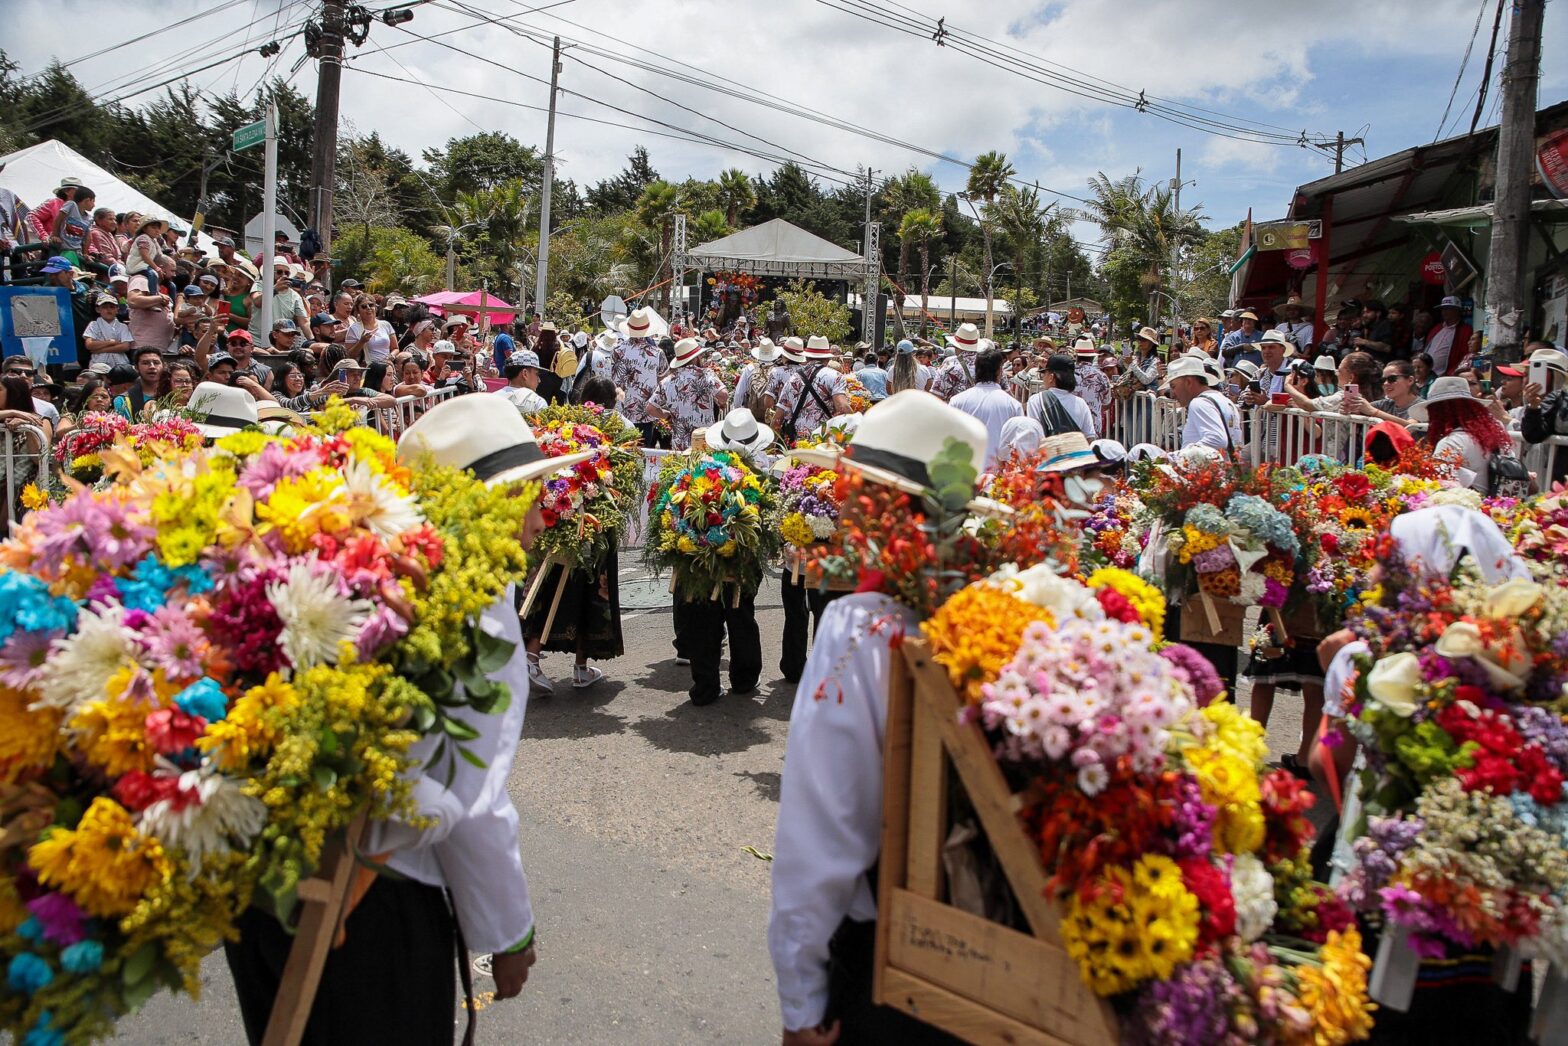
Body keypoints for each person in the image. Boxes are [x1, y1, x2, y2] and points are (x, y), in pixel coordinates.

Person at [225, 396, 567, 1045]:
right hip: (362, 901)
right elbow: (470, 799)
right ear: (487, 503)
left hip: (266, 878)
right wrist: (509, 933)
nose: (542, 513)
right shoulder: (464, 600)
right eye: (530, 492)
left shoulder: (356, 567)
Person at [770, 392, 985, 1046]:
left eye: (856, 489)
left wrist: (799, 997)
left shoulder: (860, 626)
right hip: (982, 937)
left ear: (881, 503)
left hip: (889, 954)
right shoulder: (997, 610)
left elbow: (825, 829)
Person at [1413, 375, 1515, 492]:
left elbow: (1444, 489)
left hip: (1471, 507)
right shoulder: (1497, 431)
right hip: (1504, 506)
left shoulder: (1450, 443)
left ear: (1437, 412)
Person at [948, 347, 1022, 469]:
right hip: (999, 477)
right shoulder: (1013, 405)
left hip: (965, 473)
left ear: (976, 371)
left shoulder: (957, 401)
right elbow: (1018, 443)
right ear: (999, 371)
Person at [770, 336, 850, 445]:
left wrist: (771, 447)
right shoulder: (835, 377)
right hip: (825, 442)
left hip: (799, 443)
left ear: (807, 358)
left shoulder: (792, 379)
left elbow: (777, 419)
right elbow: (843, 408)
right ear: (827, 359)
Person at [610, 307, 670, 444]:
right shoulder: (657, 353)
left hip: (621, 410)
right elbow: (663, 381)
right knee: (643, 452)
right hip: (646, 412)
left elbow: (613, 379)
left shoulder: (617, 351)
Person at [1165, 354, 1241, 453]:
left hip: (1209, 468)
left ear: (1188, 382)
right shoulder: (1224, 400)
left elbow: (1217, 440)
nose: (1172, 394)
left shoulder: (1199, 403)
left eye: (1173, 386)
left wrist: (1177, 456)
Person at [1520, 344, 1568, 487]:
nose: (1528, 379)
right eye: (1526, 374)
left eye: (1535, 372)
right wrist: (1534, 406)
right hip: (1555, 481)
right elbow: (1533, 434)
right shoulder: (1558, 399)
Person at [1025, 353, 1097, 438]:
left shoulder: (1036, 400)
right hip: (1075, 450)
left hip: (1048, 450)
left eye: (1045, 373)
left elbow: (1034, 435)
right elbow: (1089, 436)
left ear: (1051, 377)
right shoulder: (1081, 403)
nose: (1043, 377)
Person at [929, 322, 981, 400]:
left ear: (955, 345)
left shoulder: (949, 365)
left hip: (954, 410)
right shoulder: (991, 364)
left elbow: (936, 396)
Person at [1361, 358, 1424, 422]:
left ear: (1410, 380)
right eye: (1383, 380)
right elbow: (1364, 408)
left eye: (1392, 379)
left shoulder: (1422, 406)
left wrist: (1374, 412)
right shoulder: (1384, 404)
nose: (1385, 383)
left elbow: (1410, 427)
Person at [1423, 296, 1471, 376]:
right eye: (1443, 309)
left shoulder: (1465, 330)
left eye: (1448, 309)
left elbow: (1465, 354)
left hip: (1445, 376)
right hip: (1426, 374)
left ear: (1457, 311)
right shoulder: (1437, 328)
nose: (1444, 312)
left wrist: (1451, 373)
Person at [83, 292, 134, 368]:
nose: (108, 310)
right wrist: (112, 342)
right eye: (104, 307)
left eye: (112, 307)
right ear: (98, 309)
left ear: (117, 309)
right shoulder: (93, 325)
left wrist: (100, 350)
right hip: (98, 362)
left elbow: (125, 346)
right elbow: (89, 345)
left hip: (120, 362)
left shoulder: (122, 326)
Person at [1071, 336, 1112, 425]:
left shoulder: (1066, 373)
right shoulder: (1101, 376)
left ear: (1076, 356)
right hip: (1093, 423)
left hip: (1070, 424)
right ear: (1092, 357)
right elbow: (1106, 402)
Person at [347, 294, 396, 366]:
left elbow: (395, 348)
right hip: (368, 369)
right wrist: (361, 342)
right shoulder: (354, 329)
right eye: (364, 306)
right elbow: (349, 356)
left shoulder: (386, 325)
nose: (368, 308)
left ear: (375, 307)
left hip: (387, 367)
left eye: (371, 305)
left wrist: (390, 357)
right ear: (358, 310)